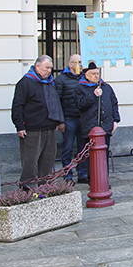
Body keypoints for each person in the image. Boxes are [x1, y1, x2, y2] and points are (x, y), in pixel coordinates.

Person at [11, 55, 64, 183]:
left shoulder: (50, 82)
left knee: (48, 160)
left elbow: (54, 102)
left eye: (51, 68)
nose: (49, 71)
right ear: (37, 66)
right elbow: (17, 105)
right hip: (32, 129)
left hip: (49, 128)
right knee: (30, 161)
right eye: (47, 68)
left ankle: (45, 186)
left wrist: (57, 120)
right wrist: (20, 126)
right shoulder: (25, 82)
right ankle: (27, 187)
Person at [75, 62, 120, 173]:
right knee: (92, 155)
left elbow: (114, 103)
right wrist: (93, 96)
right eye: (93, 74)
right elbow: (80, 105)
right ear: (86, 75)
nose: (96, 76)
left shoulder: (107, 87)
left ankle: (104, 178)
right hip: (91, 126)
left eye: (97, 73)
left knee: (104, 154)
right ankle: (93, 179)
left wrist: (115, 120)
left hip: (105, 125)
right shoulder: (80, 88)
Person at [55, 54, 87, 183]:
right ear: (70, 64)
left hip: (83, 118)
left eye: (81, 62)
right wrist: (60, 121)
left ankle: (82, 174)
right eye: (77, 62)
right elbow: (56, 101)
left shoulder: (85, 78)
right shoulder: (61, 79)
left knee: (83, 147)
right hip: (68, 118)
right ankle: (67, 175)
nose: (79, 64)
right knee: (67, 148)